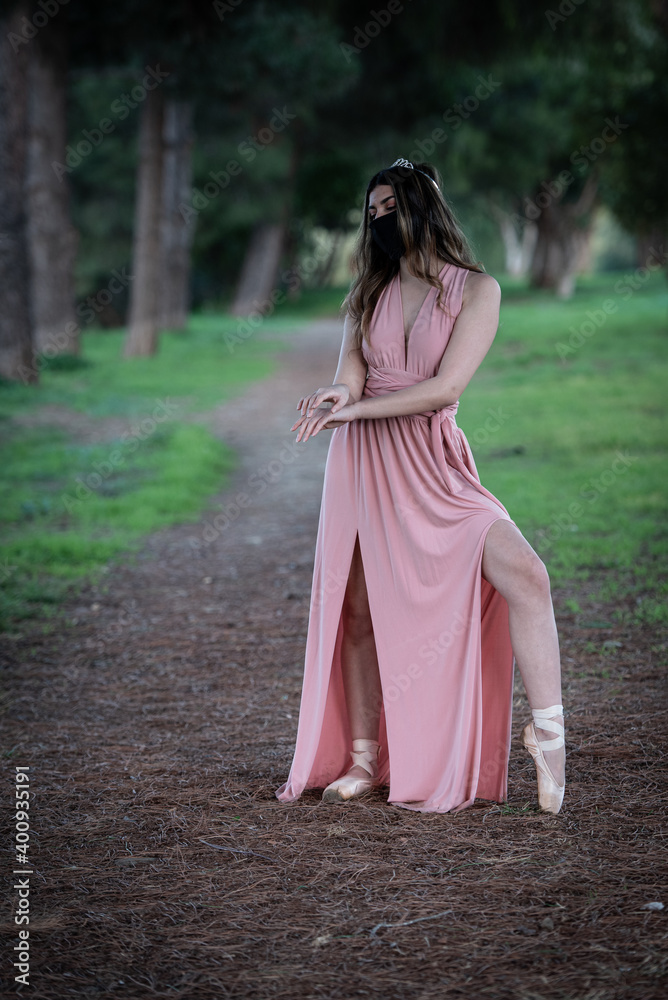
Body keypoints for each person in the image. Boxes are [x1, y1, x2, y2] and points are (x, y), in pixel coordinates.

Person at [275, 158, 565, 815]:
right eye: (370, 213)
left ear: (422, 208)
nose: (379, 221)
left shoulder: (478, 290)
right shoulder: (368, 291)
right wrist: (337, 395)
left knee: (527, 573)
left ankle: (548, 735)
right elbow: (352, 370)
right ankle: (363, 759)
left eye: (389, 208)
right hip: (363, 463)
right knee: (355, 609)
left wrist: (355, 409)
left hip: (433, 464)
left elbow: (445, 388)